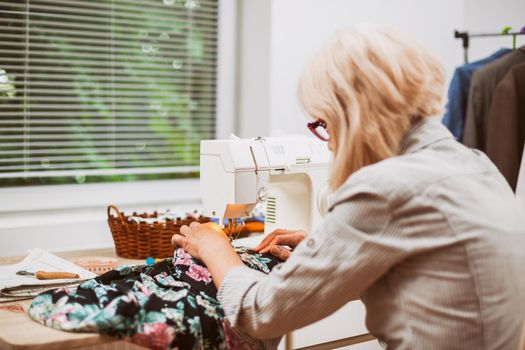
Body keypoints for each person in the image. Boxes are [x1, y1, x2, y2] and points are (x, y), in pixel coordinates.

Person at [172, 25, 525, 349]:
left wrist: (215, 246)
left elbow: (261, 312)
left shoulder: (386, 187)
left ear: (352, 114)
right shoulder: (477, 164)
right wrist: (323, 248)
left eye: (324, 123)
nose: (327, 143)